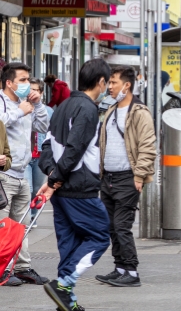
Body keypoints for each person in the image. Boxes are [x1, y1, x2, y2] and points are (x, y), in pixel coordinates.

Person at [38, 59, 112, 311]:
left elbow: (46, 145)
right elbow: (75, 148)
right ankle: (64, 284)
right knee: (100, 235)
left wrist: (52, 174)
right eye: (107, 82)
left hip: (62, 189)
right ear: (100, 82)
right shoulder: (88, 109)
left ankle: (65, 298)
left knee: (68, 243)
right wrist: (55, 178)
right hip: (79, 188)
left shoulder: (62, 105)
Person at [95, 66, 156, 287]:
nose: (109, 87)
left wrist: (139, 176)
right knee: (111, 226)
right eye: (109, 83)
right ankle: (119, 267)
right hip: (107, 177)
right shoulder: (111, 110)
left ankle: (131, 271)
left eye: (113, 82)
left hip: (128, 178)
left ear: (127, 85)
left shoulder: (140, 112)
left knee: (122, 225)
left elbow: (148, 146)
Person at [0, 63, 50, 287]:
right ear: (9, 83)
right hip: (4, 173)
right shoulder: (2, 102)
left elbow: (42, 126)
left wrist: (37, 104)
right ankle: (2, 269)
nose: (27, 84)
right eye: (22, 80)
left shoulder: (27, 104)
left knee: (22, 224)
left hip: (23, 172)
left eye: (28, 79)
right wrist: (21, 110)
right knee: (3, 225)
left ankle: (22, 268)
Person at [25, 79, 52, 222]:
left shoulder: (47, 111)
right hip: (27, 156)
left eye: (35, 90)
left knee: (37, 189)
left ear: (41, 92)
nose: (32, 92)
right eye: (30, 89)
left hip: (41, 157)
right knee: (27, 189)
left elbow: (50, 132)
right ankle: (26, 218)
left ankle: (33, 217)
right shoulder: (23, 107)